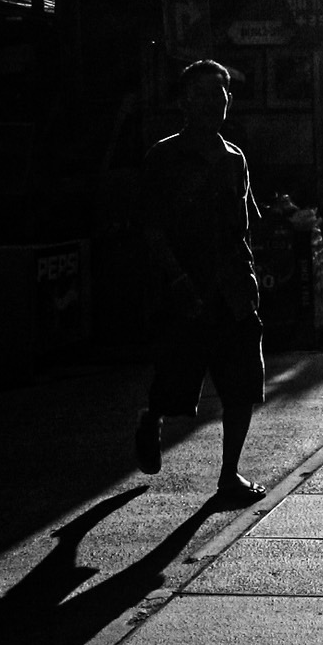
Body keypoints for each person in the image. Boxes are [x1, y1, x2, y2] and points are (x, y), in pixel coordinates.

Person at [133, 59, 267, 503]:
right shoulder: (163, 157)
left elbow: (245, 226)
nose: (215, 102)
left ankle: (229, 475)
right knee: (175, 383)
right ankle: (152, 419)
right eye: (204, 94)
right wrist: (177, 282)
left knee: (242, 386)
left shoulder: (235, 159)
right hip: (185, 293)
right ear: (183, 102)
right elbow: (151, 230)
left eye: (221, 94)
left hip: (232, 291)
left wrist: (250, 279)